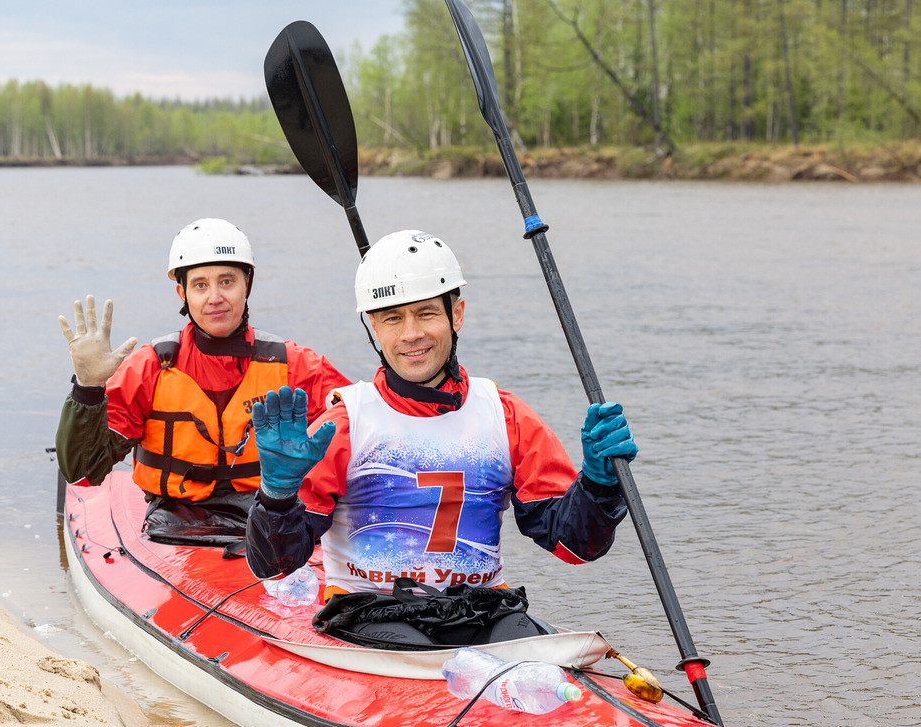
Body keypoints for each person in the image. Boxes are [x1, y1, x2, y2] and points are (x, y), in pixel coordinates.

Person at [245, 229, 636, 646]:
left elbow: (575, 547)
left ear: (458, 314)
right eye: (393, 318)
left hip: (482, 607)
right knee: (416, 650)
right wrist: (277, 496)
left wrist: (598, 485)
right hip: (368, 609)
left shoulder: (507, 416)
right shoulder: (344, 424)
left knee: (527, 649)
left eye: (426, 313)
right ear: (374, 328)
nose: (411, 334)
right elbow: (275, 565)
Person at [55, 218, 349, 545]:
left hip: (272, 518)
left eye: (227, 281)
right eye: (200, 285)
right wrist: (88, 388)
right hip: (174, 523)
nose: (214, 297)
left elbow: (363, 427)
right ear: (182, 292)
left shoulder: (295, 365)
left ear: (247, 284)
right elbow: (83, 471)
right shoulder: (150, 367)